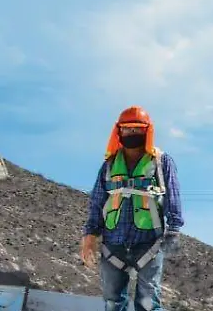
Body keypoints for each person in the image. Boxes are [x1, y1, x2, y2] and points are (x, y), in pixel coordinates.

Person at [79, 106, 184, 311]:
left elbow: (174, 196)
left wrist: (173, 231)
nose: (132, 133)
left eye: (137, 129)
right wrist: (89, 236)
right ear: (119, 132)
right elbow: (97, 201)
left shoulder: (162, 163)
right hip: (113, 244)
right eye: (127, 129)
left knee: (148, 303)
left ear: (147, 131)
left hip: (149, 243)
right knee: (112, 302)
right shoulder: (109, 165)